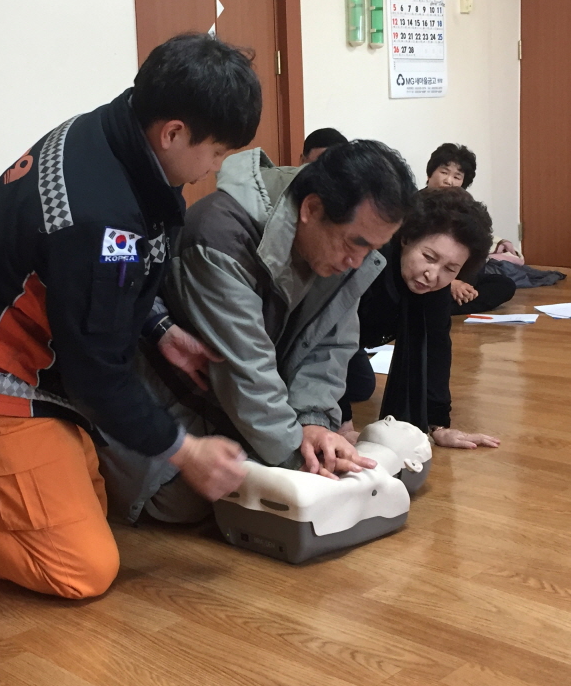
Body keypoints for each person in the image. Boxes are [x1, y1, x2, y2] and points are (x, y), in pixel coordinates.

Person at [0, 34, 262, 598]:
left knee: (87, 505)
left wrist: (159, 329)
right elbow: (98, 374)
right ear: (173, 133)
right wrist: (186, 451)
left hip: (24, 363)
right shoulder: (99, 217)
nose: (213, 169)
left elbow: (105, 282)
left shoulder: (115, 131)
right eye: (217, 153)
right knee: (80, 566)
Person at [97, 140, 415, 524]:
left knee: (349, 463)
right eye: (354, 244)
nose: (357, 262)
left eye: (372, 249)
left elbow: (329, 347)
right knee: (188, 501)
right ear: (311, 209)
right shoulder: (219, 235)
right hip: (170, 408)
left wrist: (313, 422)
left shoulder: (343, 250)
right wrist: (302, 459)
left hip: (242, 412)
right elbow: (246, 371)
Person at [356, 188, 500, 450]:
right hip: (320, 341)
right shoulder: (368, 262)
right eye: (429, 257)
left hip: (356, 344)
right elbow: (324, 340)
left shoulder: (436, 290)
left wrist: (438, 425)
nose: (432, 275)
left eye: (450, 269)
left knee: (361, 386)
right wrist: (338, 424)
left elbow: (436, 347)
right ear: (406, 238)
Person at [424, 143, 516, 315]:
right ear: (430, 173)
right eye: (444, 172)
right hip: (427, 276)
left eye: (457, 177)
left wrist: (463, 283)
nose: (448, 181)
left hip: (458, 274)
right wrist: (450, 283)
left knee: (504, 285)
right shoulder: (414, 206)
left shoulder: (465, 207)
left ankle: (447, 305)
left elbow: (477, 246)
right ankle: (441, 306)